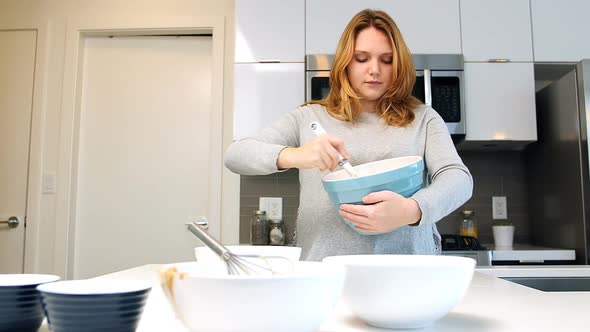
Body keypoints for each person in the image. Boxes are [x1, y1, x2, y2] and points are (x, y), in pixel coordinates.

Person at [224, 9, 472, 261]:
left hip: (407, 275)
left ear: (399, 65)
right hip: (324, 277)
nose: (374, 70)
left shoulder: (423, 118)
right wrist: (295, 155)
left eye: (386, 60)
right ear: (346, 62)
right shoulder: (308, 118)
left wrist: (411, 210)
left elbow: (458, 178)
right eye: (362, 58)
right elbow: (235, 155)